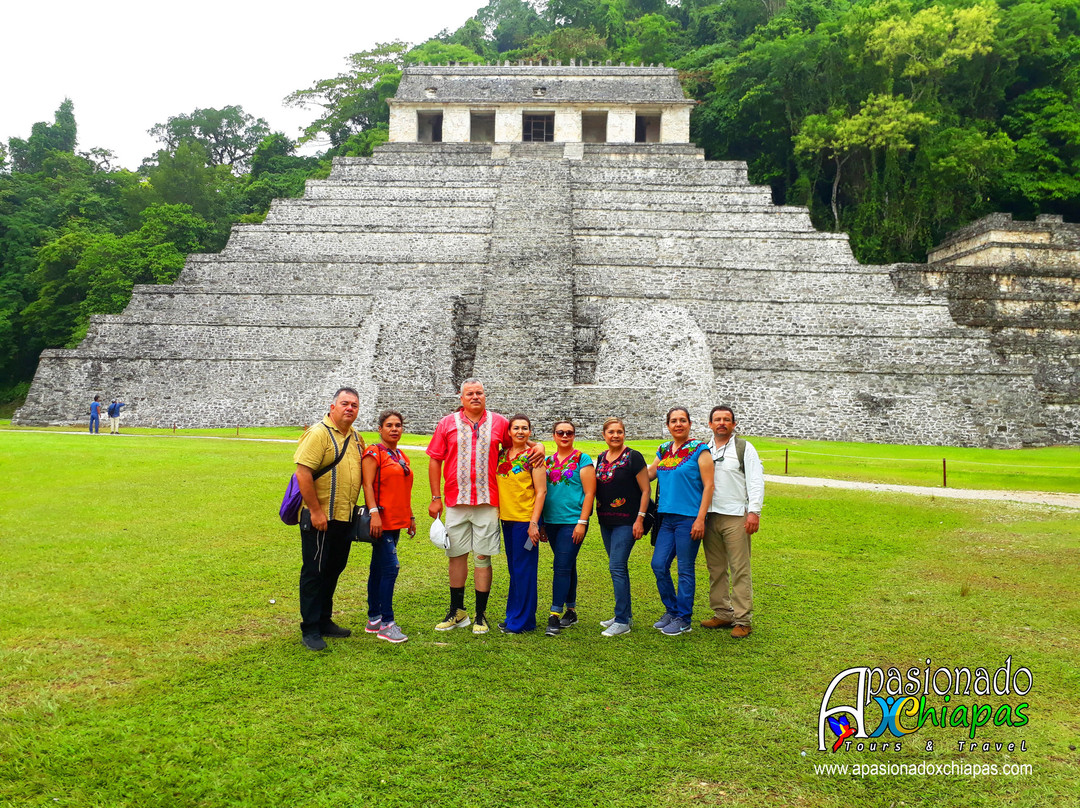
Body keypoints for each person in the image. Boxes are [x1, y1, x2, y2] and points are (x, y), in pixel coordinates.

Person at [427, 378, 544, 635]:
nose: (475, 397)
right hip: (456, 500)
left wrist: (540, 445)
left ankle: (480, 615)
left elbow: (519, 442)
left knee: (482, 556)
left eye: (479, 392)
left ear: (485, 395)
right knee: (455, 555)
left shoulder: (500, 423)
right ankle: (458, 611)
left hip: (488, 501)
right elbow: (435, 460)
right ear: (461, 398)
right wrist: (436, 496)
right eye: (470, 393)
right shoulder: (447, 423)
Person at [294, 387, 366, 651]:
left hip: (344, 518)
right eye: (345, 403)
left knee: (334, 568)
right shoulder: (319, 434)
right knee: (314, 572)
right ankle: (310, 628)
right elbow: (303, 473)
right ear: (333, 406)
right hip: (320, 518)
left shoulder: (357, 438)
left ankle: (324, 619)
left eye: (354, 405)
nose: (350, 408)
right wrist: (315, 511)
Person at [648, 407, 714, 637]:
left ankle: (684, 618)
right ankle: (672, 609)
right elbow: (649, 474)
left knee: (685, 569)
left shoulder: (699, 450)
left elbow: (709, 486)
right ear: (668, 425)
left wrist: (700, 519)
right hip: (666, 517)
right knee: (658, 565)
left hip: (689, 519)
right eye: (673, 421)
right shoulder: (664, 450)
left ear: (689, 424)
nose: (678, 424)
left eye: (682, 420)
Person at [701, 406, 764, 638]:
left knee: (739, 569)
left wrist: (754, 511)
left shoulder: (744, 448)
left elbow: (756, 480)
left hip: (736, 515)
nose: (721, 423)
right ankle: (722, 613)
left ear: (733, 424)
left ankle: (743, 619)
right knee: (716, 568)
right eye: (717, 419)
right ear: (709, 424)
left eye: (726, 420)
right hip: (710, 516)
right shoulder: (703, 449)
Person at [362, 410, 416, 644]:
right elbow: (367, 485)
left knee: (378, 567)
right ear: (380, 429)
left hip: (397, 520)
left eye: (398, 425)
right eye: (389, 425)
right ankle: (387, 623)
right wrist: (374, 514)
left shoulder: (400, 454)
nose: (395, 429)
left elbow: (403, 488)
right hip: (381, 520)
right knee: (390, 568)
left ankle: (374, 617)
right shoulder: (374, 453)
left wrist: (410, 516)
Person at [594, 417, 650, 637]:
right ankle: (623, 614)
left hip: (627, 521)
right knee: (617, 567)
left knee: (616, 566)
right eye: (611, 432)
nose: (615, 435)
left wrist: (640, 519)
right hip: (606, 521)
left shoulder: (633, 457)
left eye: (619, 431)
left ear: (624, 434)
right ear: (604, 435)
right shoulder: (601, 457)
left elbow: (645, 490)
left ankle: (622, 620)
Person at [541, 420, 596, 637]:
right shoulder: (548, 461)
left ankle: (554, 614)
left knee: (561, 566)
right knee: (568, 564)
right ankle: (571, 610)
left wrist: (582, 522)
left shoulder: (582, 459)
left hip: (573, 521)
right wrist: (543, 523)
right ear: (553, 435)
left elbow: (590, 493)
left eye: (569, 433)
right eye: (560, 432)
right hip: (552, 522)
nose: (565, 436)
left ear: (574, 435)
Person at [495, 414, 547, 633]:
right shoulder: (502, 455)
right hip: (507, 520)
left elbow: (541, 490)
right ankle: (513, 615)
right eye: (516, 428)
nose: (520, 432)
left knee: (524, 571)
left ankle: (523, 621)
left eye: (524, 428)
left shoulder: (534, 457)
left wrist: (534, 523)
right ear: (509, 432)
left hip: (525, 522)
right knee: (514, 571)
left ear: (530, 431)